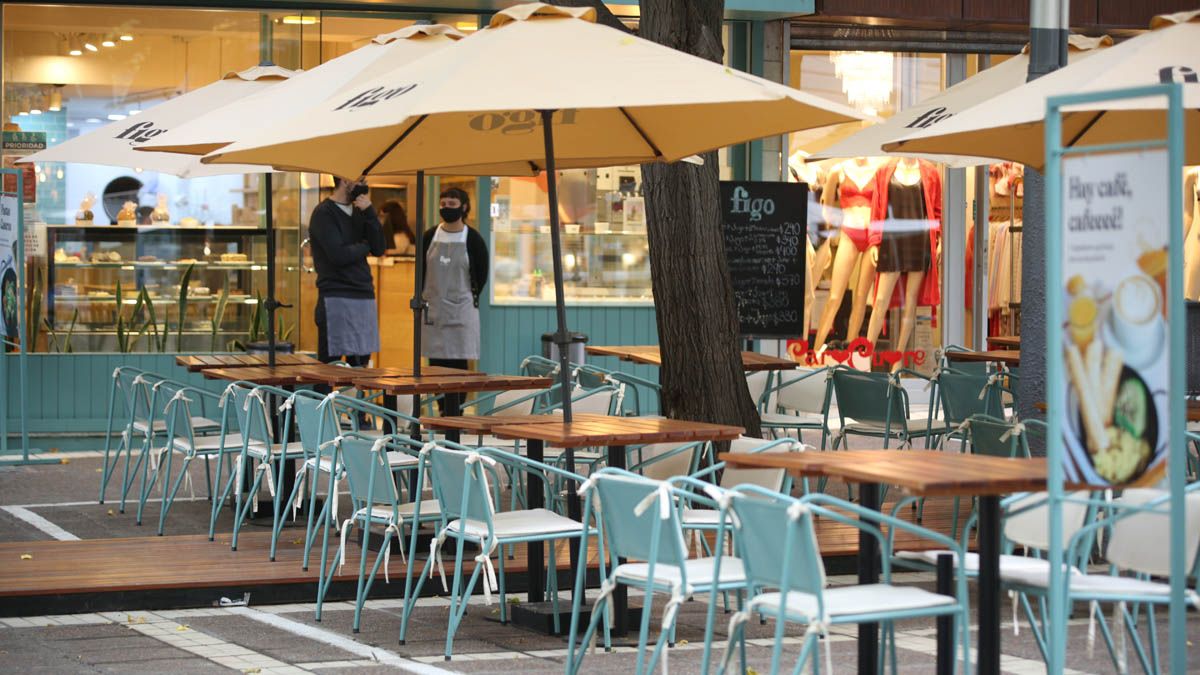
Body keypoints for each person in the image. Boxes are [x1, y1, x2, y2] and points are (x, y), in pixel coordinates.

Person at [422, 187, 488, 412]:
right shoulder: (430, 236)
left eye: (452, 204)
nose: (446, 208)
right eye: (443, 204)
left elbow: (481, 274)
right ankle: (441, 408)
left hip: (461, 309)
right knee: (436, 363)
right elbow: (420, 272)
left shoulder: (474, 239)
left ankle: (456, 409)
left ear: (464, 207)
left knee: (459, 362)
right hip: (434, 309)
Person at [308, 176, 386, 366]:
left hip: (364, 295)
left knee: (361, 367)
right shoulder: (324, 213)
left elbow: (379, 248)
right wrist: (365, 246)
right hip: (335, 295)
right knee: (330, 369)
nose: (365, 186)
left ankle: (356, 398)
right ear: (345, 179)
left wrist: (370, 213)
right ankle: (326, 398)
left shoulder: (361, 211)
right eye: (361, 181)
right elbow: (339, 255)